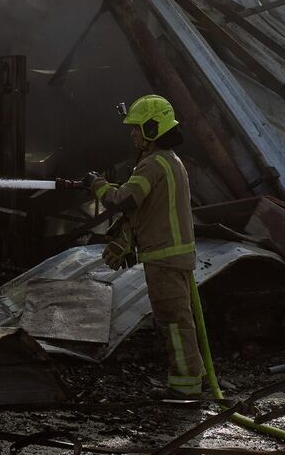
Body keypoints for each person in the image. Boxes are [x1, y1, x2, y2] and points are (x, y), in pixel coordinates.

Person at [88, 94, 219, 400]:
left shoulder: (152, 164)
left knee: (173, 322)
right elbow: (145, 208)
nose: (132, 134)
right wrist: (125, 236)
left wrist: (97, 185)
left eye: (136, 128)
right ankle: (195, 376)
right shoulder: (170, 161)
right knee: (182, 320)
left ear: (151, 129)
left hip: (164, 258)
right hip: (174, 256)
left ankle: (184, 388)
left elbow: (123, 200)